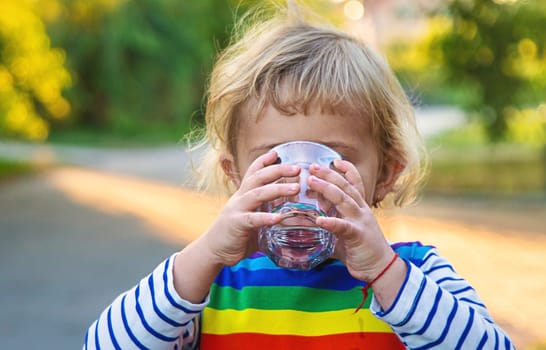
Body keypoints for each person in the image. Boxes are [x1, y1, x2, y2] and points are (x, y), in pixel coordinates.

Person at [84, 3, 514, 349]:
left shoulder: (415, 274)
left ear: (385, 174)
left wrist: (385, 272)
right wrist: (206, 255)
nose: (303, 187)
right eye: (275, 163)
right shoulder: (210, 288)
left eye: (333, 162)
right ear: (235, 176)